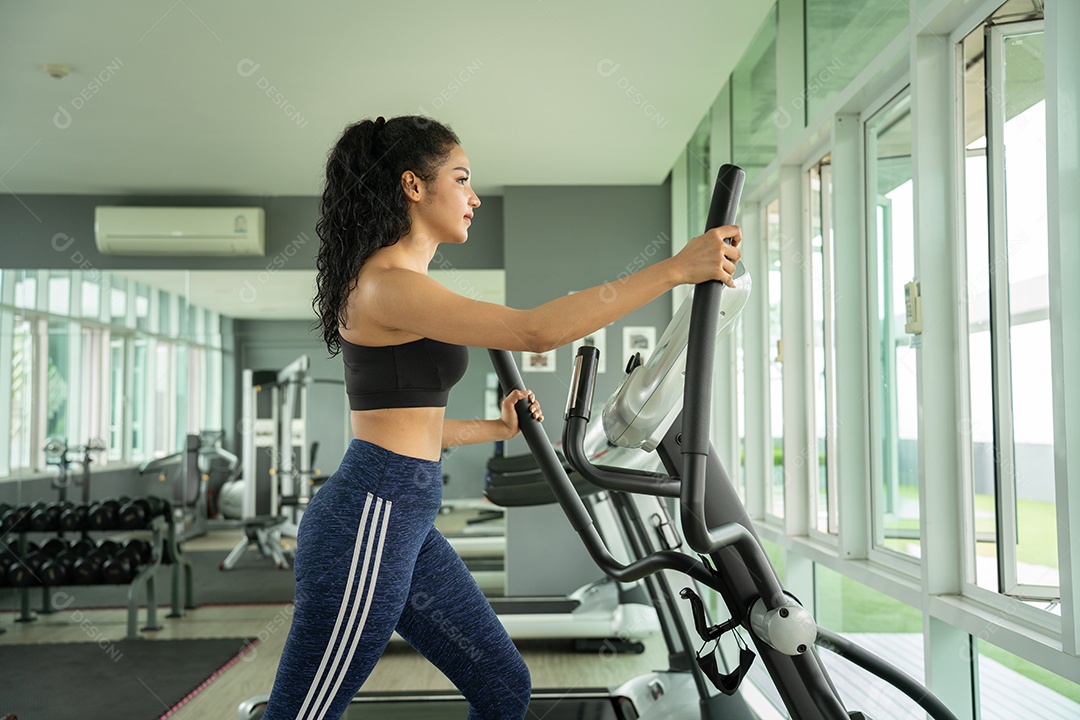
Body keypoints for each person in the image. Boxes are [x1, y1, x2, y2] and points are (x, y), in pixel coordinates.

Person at [262, 115, 742, 720]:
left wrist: (494, 430)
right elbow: (534, 329)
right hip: (369, 523)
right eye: (461, 179)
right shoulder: (386, 284)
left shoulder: (404, 282)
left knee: (501, 680)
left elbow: (404, 427)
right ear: (414, 186)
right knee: (303, 713)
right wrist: (676, 268)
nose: (474, 197)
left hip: (403, 520)